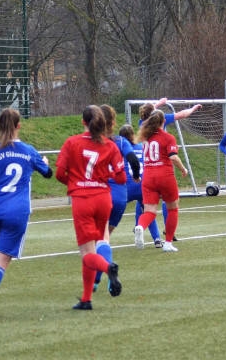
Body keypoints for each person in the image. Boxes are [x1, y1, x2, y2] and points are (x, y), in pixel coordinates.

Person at [0, 108, 53, 322]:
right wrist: (45, 163)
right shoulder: (28, 151)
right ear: (18, 126)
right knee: (3, 259)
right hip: (16, 211)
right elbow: (48, 173)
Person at [56, 105, 126, 310]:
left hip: (83, 200)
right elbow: (121, 178)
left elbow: (60, 173)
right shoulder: (111, 146)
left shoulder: (72, 142)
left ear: (83, 122)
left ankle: (108, 268)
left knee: (87, 253)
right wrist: (105, 176)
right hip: (104, 199)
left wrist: (75, 184)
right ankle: (86, 299)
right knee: (97, 243)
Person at [92, 105, 141, 292]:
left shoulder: (93, 142)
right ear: (113, 122)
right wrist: (136, 175)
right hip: (120, 196)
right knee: (104, 238)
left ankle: (101, 275)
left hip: (101, 193)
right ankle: (98, 281)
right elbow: (133, 160)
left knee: (100, 239)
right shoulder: (120, 141)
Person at [138, 98, 201, 237]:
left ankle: (141, 226)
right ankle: (169, 234)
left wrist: (159, 103)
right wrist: (193, 108)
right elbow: (182, 114)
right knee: (171, 204)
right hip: (163, 170)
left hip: (147, 171)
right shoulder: (166, 134)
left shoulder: (142, 126)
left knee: (146, 207)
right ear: (162, 120)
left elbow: (150, 110)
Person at [134, 109, 188, 252]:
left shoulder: (145, 136)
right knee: (172, 208)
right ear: (164, 121)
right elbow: (173, 157)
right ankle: (168, 243)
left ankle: (140, 226)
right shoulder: (168, 137)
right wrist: (183, 169)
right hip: (164, 176)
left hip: (148, 177)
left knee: (149, 211)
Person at [118, 124, 162, 247]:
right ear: (133, 135)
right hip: (143, 185)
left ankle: (99, 238)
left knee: (108, 211)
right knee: (149, 211)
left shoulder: (120, 149)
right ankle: (157, 239)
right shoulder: (142, 147)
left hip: (127, 187)